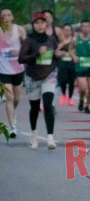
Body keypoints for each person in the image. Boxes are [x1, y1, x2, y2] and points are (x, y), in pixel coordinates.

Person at [18, 13, 59, 149]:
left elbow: (55, 56)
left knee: (48, 105)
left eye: (42, 22)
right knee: (35, 108)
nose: (40, 25)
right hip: (32, 78)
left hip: (49, 75)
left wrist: (58, 55)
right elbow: (21, 59)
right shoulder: (29, 40)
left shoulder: (51, 39)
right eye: (37, 23)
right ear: (33, 25)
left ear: (46, 24)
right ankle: (33, 134)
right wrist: (37, 54)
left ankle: (50, 138)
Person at [0, 8, 26, 139]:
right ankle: (12, 127)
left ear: (12, 17)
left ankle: (12, 113)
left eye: (8, 15)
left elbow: (27, 47)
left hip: (18, 69)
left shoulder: (20, 30)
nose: (6, 18)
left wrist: (19, 52)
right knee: (9, 97)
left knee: (17, 98)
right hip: (3, 70)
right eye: (3, 16)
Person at [73, 20, 90, 114]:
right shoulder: (76, 39)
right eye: (84, 26)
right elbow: (70, 49)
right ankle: (81, 99)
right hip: (80, 66)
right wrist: (74, 56)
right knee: (83, 88)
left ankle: (87, 106)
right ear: (81, 28)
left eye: (87, 26)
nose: (86, 28)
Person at [56, 23, 77, 107]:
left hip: (72, 62)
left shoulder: (74, 39)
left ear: (71, 31)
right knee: (63, 80)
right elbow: (56, 49)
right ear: (62, 31)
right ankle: (64, 94)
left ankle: (70, 98)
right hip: (62, 62)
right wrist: (63, 44)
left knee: (71, 81)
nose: (67, 32)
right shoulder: (60, 40)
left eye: (69, 30)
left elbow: (77, 49)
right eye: (65, 30)